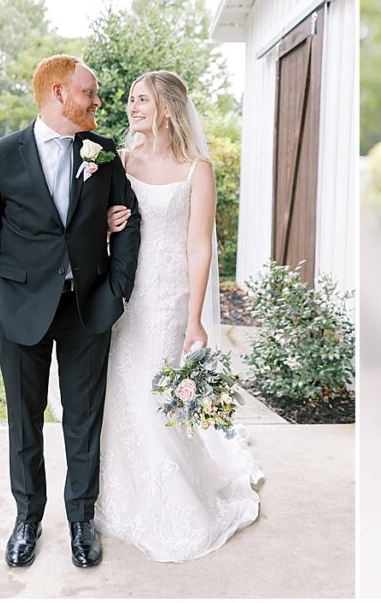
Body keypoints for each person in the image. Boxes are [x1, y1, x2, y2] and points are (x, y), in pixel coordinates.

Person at [0, 55, 141, 569]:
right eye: (89, 92)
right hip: (19, 312)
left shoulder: (103, 152)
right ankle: (27, 518)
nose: (98, 102)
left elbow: (129, 223)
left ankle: (81, 519)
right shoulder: (0, 154)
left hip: (88, 309)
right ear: (60, 94)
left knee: (83, 420)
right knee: (25, 422)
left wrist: (119, 290)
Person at [98, 70, 260, 562]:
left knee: (158, 395)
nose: (132, 107)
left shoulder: (198, 169)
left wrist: (194, 318)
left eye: (141, 100)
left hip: (169, 297)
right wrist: (105, 224)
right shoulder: (120, 162)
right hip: (125, 292)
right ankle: (121, 495)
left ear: (167, 108)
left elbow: (197, 247)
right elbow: (93, 229)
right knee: (123, 390)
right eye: (130, 100)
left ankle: (176, 502)